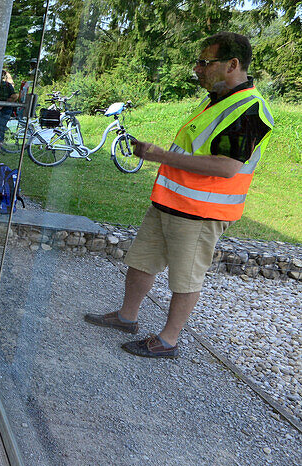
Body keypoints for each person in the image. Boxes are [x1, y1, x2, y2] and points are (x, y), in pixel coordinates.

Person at [84, 32, 273, 359]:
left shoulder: (249, 109)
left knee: (185, 278)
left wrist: (158, 156)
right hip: (169, 204)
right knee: (141, 262)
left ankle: (168, 340)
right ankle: (127, 317)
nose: (197, 68)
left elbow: (227, 167)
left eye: (205, 62)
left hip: (200, 213)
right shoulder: (215, 100)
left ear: (232, 64)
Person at [0, 69, 20, 149]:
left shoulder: (7, 86)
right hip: (2, 111)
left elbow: (15, 96)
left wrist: (2, 105)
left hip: (3, 111)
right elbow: (15, 96)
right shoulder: (4, 85)